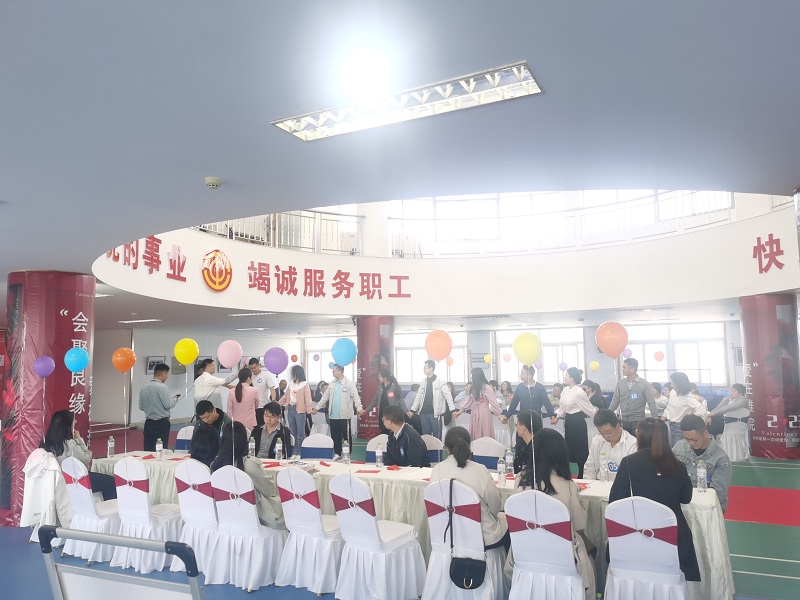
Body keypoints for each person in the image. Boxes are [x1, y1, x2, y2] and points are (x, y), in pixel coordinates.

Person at [609, 418, 701, 582]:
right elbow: (686, 498)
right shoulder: (678, 466)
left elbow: (615, 501)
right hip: (671, 540)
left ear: (641, 437)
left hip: (635, 536)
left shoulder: (629, 463)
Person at [511, 428, 595, 597]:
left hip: (526, 553)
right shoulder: (567, 486)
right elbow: (579, 524)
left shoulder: (520, 480)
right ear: (562, 454)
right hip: (561, 559)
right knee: (590, 549)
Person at [430, 427, 509, 551]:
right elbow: (495, 508)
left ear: (447, 448)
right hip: (482, 537)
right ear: (469, 445)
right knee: (507, 518)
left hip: (448, 533)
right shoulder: (480, 470)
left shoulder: (437, 470)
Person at [211, 421, 285, 529]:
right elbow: (269, 490)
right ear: (244, 440)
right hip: (254, 516)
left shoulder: (215, 464)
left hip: (227, 514)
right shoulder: (249, 464)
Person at [42, 410, 116, 500]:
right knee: (111, 482)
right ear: (68, 427)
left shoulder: (45, 443)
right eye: (73, 424)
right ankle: (108, 506)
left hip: (56, 480)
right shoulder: (69, 444)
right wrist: (79, 439)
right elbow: (87, 458)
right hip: (76, 479)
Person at [673, 415, 732, 511]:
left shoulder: (721, 458)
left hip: (708, 507)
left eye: (694, 440)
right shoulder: (679, 446)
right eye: (686, 439)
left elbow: (717, 495)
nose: (690, 443)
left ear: (705, 433)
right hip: (683, 502)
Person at [550, 367, 597, 478]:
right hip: (569, 422)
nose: (565, 377)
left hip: (578, 423)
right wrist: (557, 417)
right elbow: (562, 407)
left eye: (566, 375)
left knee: (580, 450)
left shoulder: (579, 392)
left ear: (572, 378)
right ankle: (567, 473)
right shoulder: (566, 390)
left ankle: (582, 474)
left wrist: (600, 420)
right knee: (569, 449)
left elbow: (589, 408)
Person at [312, 364, 365, 460]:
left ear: (340, 371)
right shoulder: (332, 383)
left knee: (346, 437)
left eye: (334, 370)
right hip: (333, 415)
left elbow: (356, 397)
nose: (332, 372)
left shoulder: (349, 383)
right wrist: (317, 407)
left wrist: (359, 408)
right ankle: (337, 453)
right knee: (335, 436)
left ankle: (346, 454)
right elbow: (325, 396)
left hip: (345, 415)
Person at [583, 409, 637, 481]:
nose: (606, 436)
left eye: (608, 432)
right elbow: (590, 467)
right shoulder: (597, 440)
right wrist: (590, 484)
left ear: (618, 426)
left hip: (622, 485)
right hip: (600, 484)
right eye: (601, 433)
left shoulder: (632, 445)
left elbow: (634, 476)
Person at [608, 357, 658, 435]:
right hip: (624, 420)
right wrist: (607, 415)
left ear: (632, 369)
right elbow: (615, 400)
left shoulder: (644, 384)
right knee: (625, 441)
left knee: (638, 441)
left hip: (638, 421)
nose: (622, 370)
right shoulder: (620, 383)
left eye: (624, 367)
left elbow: (651, 402)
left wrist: (655, 419)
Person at [138, 362, 181, 451]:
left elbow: (141, 407)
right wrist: (175, 399)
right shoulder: (162, 387)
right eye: (167, 374)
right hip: (161, 423)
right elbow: (168, 405)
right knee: (161, 449)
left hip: (148, 423)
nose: (167, 377)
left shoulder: (144, 388)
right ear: (163, 373)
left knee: (148, 449)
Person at [408, 359, 455, 439]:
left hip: (435, 414)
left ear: (431, 368)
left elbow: (448, 396)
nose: (424, 369)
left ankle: (438, 448)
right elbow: (418, 396)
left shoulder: (440, 381)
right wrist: (412, 410)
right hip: (423, 413)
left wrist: (452, 410)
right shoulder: (423, 381)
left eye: (425, 368)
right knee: (426, 437)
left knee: (437, 437)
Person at [452, 368, 504, 441]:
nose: (471, 377)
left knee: (484, 431)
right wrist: (459, 412)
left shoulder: (487, 387)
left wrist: (499, 414)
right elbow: (469, 401)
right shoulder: (474, 388)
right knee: (477, 432)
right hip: (476, 412)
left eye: (472, 375)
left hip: (483, 413)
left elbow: (493, 402)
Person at [662, 371, 707, 446]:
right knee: (673, 448)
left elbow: (702, 409)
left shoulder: (688, 397)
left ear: (678, 384)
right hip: (671, 425)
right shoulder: (673, 392)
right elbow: (669, 408)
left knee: (679, 449)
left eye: (672, 383)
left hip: (680, 427)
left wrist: (691, 421)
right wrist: (661, 420)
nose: (671, 386)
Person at [707, 383, 750, 461]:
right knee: (709, 425)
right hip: (724, 422)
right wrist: (710, 416)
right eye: (731, 391)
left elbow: (728, 408)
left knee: (711, 427)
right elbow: (718, 407)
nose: (731, 393)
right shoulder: (726, 399)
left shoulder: (743, 400)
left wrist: (714, 414)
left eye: (733, 391)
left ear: (740, 393)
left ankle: (712, 450)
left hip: (734, 425)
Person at [365, 366, 407, 435]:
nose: (378, 378)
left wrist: (406, 411)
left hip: (392, 415)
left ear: (385, 378)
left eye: (379, 376)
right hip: (382, 414)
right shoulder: (379, 387)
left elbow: (401, 400)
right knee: (383, 432)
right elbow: (374, 401)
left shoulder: (394, 387)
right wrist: (366, 410)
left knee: (393, 432)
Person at [282, 364, 312, 453]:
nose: (292, 374)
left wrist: (309, 410)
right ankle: (293, 451)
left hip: (300, 410)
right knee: (292, 432)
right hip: (290, 408)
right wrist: (277, 403)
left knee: (300, 432)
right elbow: (285, 396)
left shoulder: (305, 384)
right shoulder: (291, 384)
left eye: (293, 372)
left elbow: (308, 398)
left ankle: (299, 452)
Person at [226, 367, 259, 431]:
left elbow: (229, 411)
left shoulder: (232, 391)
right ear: (248, 378)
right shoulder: (254, 390)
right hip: (250, 422)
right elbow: (256, 406)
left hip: (236, 423)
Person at [248, 358, 276, 427]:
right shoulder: (249, 376)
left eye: (254, 368)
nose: (253, 370)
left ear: (259, 365)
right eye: (251, 368)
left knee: (261, 427)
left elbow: (272, 389)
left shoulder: (266, 376)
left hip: (262, 407)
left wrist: (273, 401)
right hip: (251, 408)